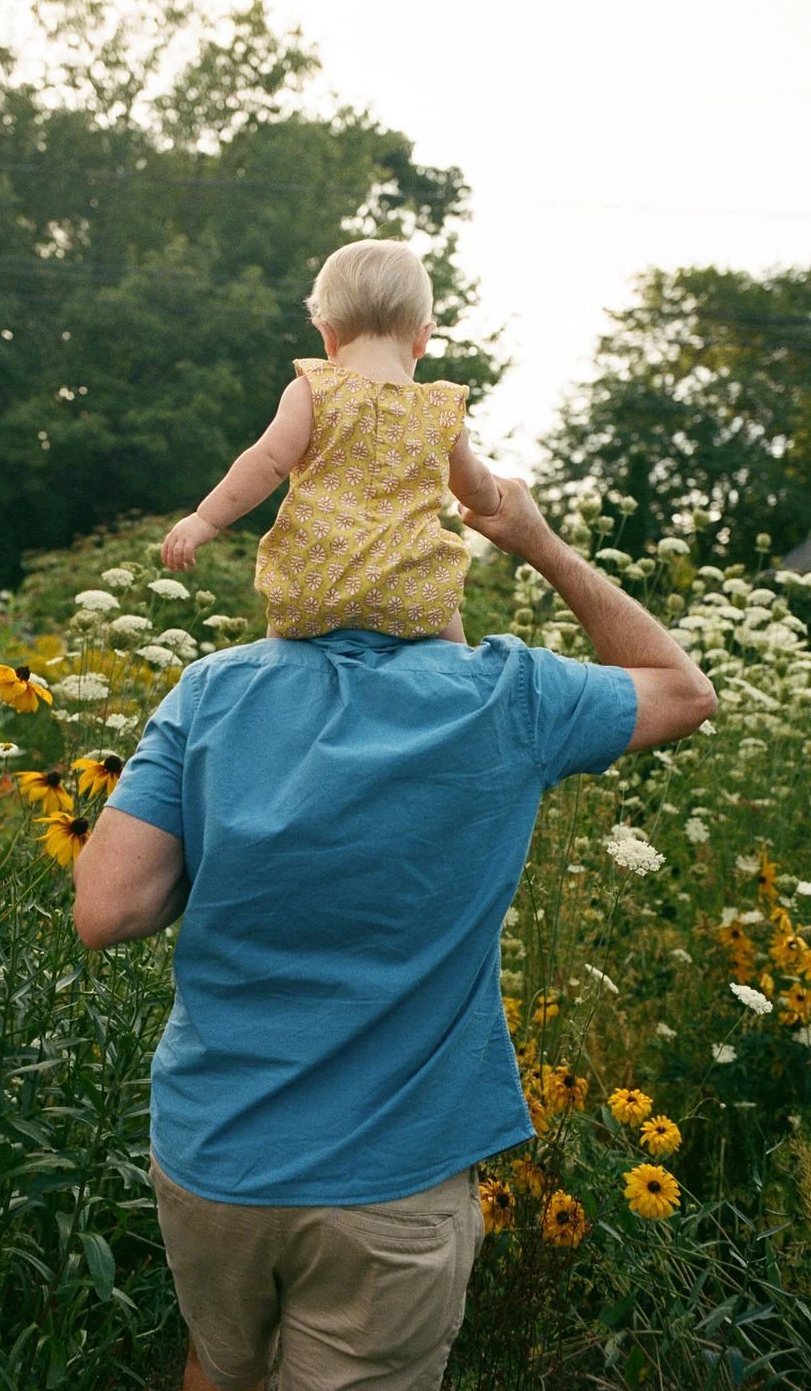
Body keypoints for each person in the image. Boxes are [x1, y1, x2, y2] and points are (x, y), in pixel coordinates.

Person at [73, 478, 716, 1391]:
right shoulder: (508, 698)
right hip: (390, 1182)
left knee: (220, 1365)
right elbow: (685, 692)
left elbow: (107, 908)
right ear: (439, 576)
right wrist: (539, 542)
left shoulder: (212, 691)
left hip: (214, 1160)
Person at [161, 239, 502, 642]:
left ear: (328, 335)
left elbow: (267, 461)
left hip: (315, 582)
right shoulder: (441, 410)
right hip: (412, 591)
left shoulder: (313, 391)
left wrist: (206, 519)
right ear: (422, 337)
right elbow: (475, 486)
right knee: (446, 614)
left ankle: (275, 671)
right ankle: (459, 683)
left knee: (282, 635)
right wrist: (495, 505)